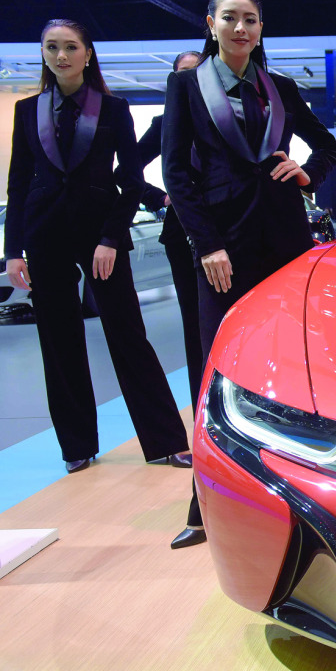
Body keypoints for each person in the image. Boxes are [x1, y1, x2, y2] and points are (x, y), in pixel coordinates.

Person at [162, 0, 336, 548]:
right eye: (231, 19)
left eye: (252, 20)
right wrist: (206, 242)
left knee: (291, 368)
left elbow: (327, 145)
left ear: (261, 29)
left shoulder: (280, 88)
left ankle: (290, 499)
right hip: (222, 246)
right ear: (210, 23)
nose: (242, 29)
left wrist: (308, 173)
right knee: (215, 366)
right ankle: (203, 504)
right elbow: (176, 173)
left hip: (285, 239)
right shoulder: (187, 86)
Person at [4, 19, 190, 474]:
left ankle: (166, 440)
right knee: (58, 340)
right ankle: (77, 447)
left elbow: (129, 179)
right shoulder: (27, 111)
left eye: (70, 47)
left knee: (127, 335)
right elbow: (18, 184)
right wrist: (14, 250)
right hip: (44, 235)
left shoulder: (113, 109)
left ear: (88, 53)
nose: (61, 55)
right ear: (44, 53)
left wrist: (110, 237)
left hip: (99, 234)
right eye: (52, 47)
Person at [134, 51, 204, 415]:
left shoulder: (223, 116)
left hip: (230, 232)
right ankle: (201, 417)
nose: (188, 80)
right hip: (181, 235)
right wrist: (161, 198)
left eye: (195, 72)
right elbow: (126, 171)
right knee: (194, 327)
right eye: (181, 74)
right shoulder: (163, 122)